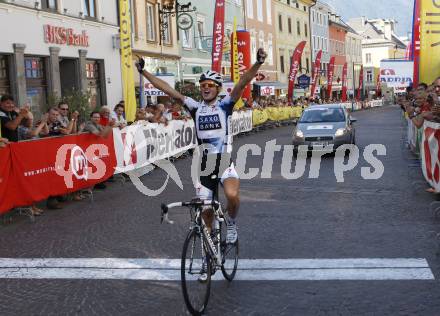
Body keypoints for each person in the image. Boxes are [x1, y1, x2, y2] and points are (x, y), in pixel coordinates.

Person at [136, 48, 267, 264]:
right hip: (204, 165)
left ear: (217, 89)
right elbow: (169, 90)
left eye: (210, 86)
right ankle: (210, 248)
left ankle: (231, 224)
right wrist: (145, 73)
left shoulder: (225, 105)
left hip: (223, 161)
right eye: (203, 86)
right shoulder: (195, 107)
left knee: (232, 196)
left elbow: (242, 83)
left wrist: (258, 63)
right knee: (205, 211)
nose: (205, 89)